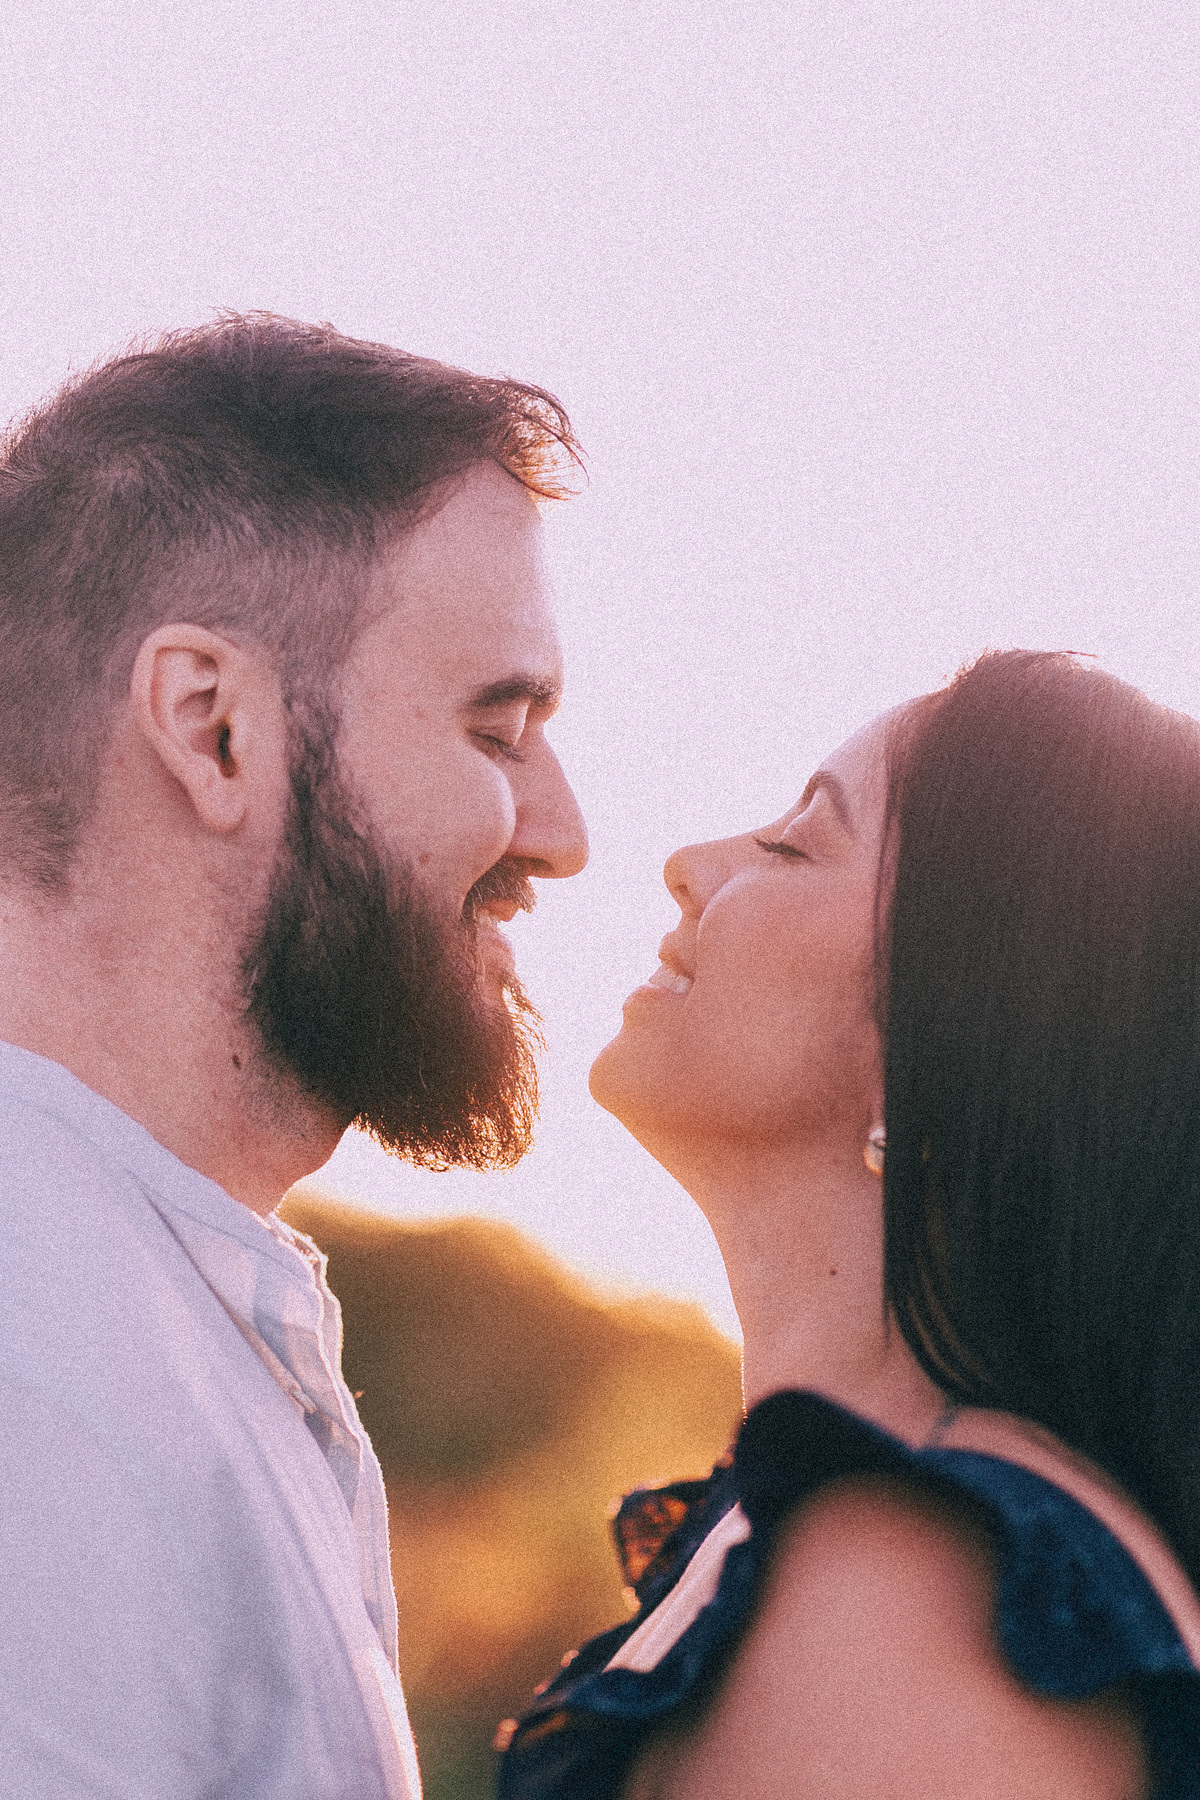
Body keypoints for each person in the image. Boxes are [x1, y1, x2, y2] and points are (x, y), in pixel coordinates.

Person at [0, 314, 588, 1798]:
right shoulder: (37, 1366)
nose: (562, 834)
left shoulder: (144, 1299)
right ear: (215, 730)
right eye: (497, 729)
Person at [498, 650, 1200, 1799]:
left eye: (794, 843)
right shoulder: (855, 1551)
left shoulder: (925, 1597)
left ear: (954, 1037)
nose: (690, 866)